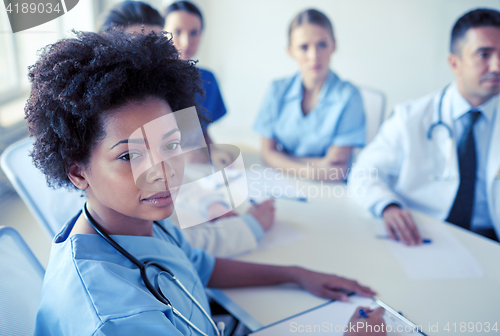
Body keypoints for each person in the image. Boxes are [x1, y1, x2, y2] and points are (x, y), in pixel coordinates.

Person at [29, 30, 384, 335]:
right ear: (77, 172)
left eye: (170, 144)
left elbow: (195, 264)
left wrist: (297, 273)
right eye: (128, 156)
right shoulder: (114, 319)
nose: (162, 170)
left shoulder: (136, 220)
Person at [96, 0, 275, 258]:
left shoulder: (153, 106)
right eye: (137, 52)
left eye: (158, 49)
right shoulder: (110, 136)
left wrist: (209, 203)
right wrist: (251, 226)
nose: (151, 64)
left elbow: (174, 170)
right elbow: (172, 247)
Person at [349, 8, 500, 245]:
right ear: (454, 63)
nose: (497, 66)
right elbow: (363, 172)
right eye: (484, 54)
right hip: (425, 233)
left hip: (491, 241)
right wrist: (387, 206)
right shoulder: (410, 117)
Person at [253, 9, 366, 182]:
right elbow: (266, 153)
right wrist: (314, 169)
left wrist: (282, 157)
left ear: (333, 46)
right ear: (291, 51)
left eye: (322, 44)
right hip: (282, 182)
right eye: (304, 47)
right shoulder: (277, 90)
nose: (314, 56)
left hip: (331, 192)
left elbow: (336, 170)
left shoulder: (349, 97)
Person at [164, 0, 226, 146]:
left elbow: (202, 133)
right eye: (177, 32)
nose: (186, 42)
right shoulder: (146, 80)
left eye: (194, 33)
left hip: (196, 164)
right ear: (161, 32)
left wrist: (216, 153)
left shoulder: (207, 80)